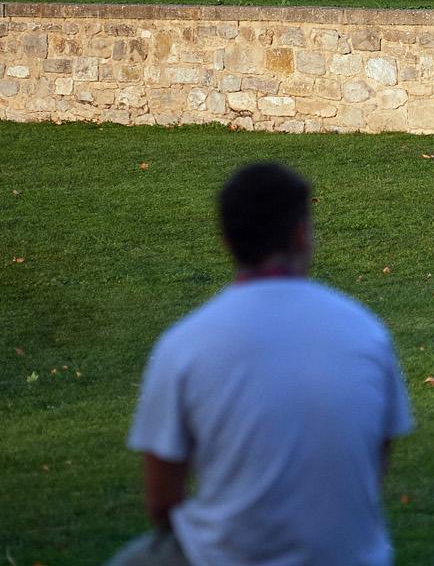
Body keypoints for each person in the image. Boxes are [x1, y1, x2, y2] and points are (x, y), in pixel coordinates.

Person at [110, 163, 413, 566]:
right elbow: (376, 462)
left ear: (226, 241)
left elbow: (162, 503)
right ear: (301, 233)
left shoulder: (183, 346)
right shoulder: (366, 331)